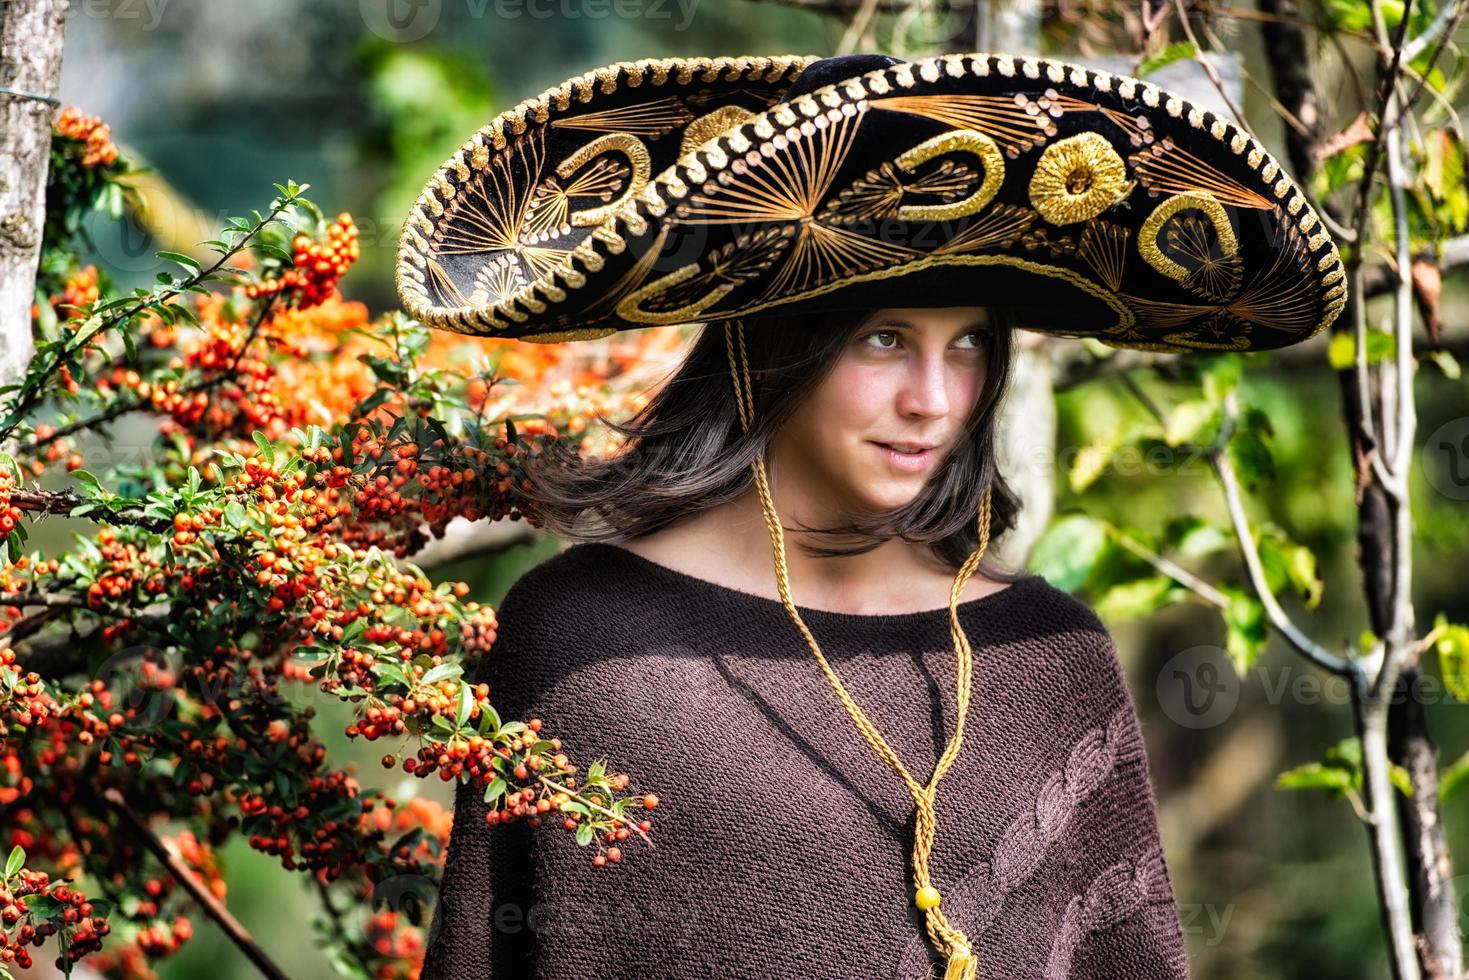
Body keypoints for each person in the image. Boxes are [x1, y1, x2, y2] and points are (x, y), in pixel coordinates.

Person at [397, 48, 1344, 980]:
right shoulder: (583, 644)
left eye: (968, 344)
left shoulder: (1046, 658)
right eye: (885, 340)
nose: (934, 399)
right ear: (769, 346)